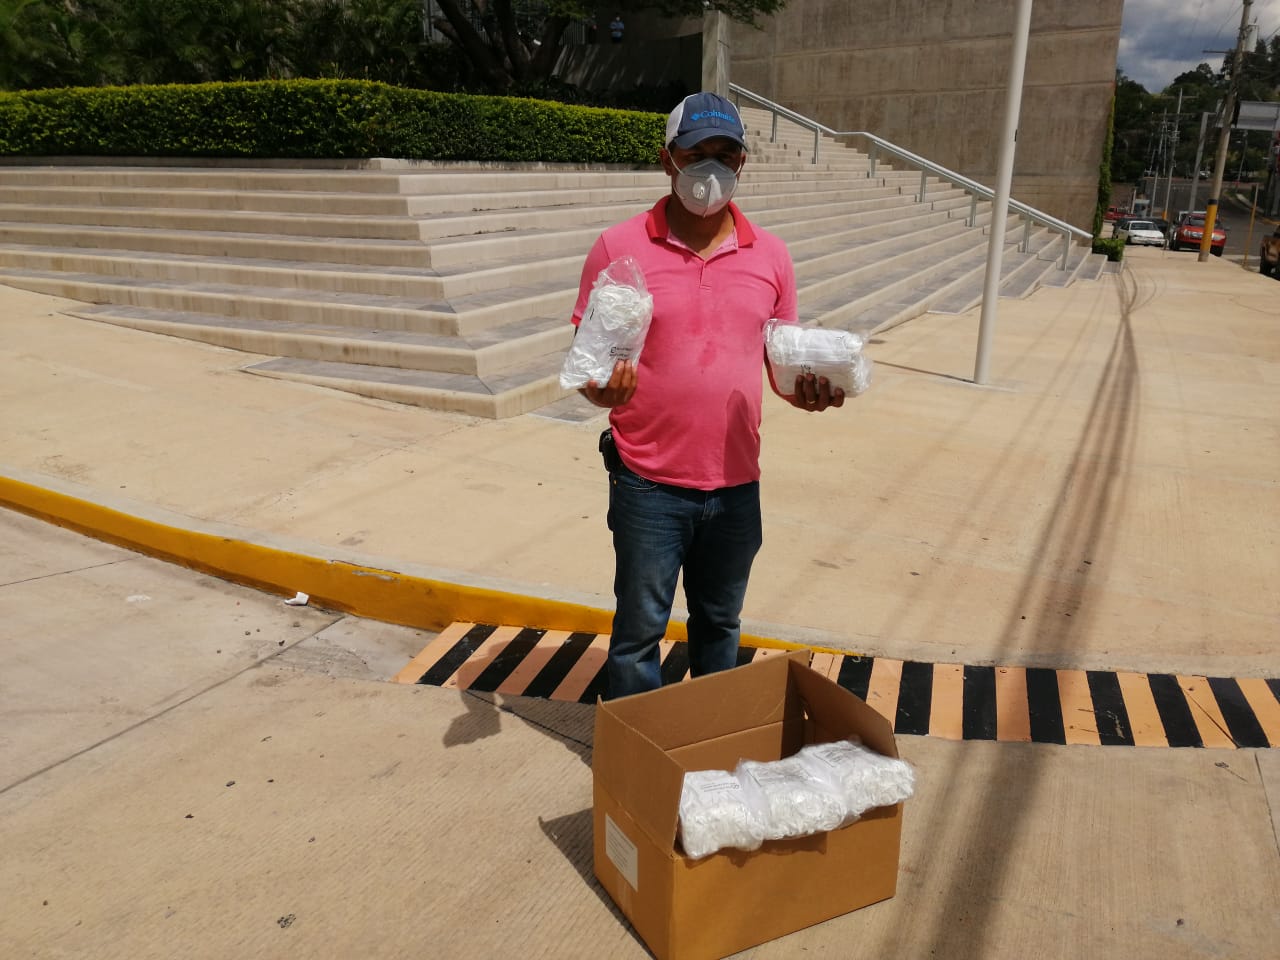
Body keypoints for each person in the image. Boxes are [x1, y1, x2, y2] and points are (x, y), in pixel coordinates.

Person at [571, 92, 844, 700]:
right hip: (648, 484)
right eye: (698, 154)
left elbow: (781, 367)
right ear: (668, 159)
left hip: (736, 485)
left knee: (720, 626)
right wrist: (602, 393)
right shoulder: (618, 248)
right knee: (638, 633)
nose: (712, 168)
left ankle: (711, 742)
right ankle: (638, 749)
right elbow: (590, 367)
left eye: (727, 154)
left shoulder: (771, 256)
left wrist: (809, 393)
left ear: (742, 162)